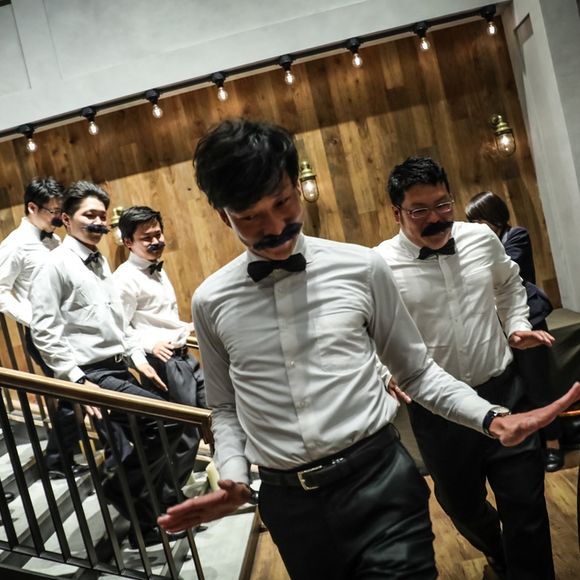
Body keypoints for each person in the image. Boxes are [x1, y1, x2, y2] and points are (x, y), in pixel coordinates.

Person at [157, 119, 580, 580]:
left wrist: (491, 417)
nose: (276, 227)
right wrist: (234, 473)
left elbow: (416, 371)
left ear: (297, 188)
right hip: (291, 505)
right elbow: (224, 407)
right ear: (223, 215)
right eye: (250, 218)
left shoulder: (362, 267)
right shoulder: (210, 300)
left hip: (380, 482)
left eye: (282, 203)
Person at [375, 156, 559, 579]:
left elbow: (509, 284)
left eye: (443, 204)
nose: (435, 218)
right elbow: (370, 331)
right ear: (397, 213)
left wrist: (516, 325)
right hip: (438, 413)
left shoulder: (480, 238)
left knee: (526, 505)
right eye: (420, 210)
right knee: (462, 505)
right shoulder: (379, 265)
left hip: (503, 390)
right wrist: (385, 373)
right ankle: (498, 550)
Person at [29, 181, 184, 548]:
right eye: (90, 215)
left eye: (102, 215)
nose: (98, 222)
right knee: (165, 421)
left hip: (118, 367)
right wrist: (76, 381)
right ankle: (120, 489)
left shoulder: (99, 262)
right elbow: (44, 331)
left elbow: (118, 323)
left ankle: (143, 518)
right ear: (67, 219)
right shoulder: (54, 265)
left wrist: (137, 358)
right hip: (92, 374)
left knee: (147, 438)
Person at [113, 205, 207, 503]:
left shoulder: (157, 269)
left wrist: (186, 327)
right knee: (185, 434)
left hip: (183, 355)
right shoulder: (124, 279)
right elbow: (119, 328)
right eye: (147, 237)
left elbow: (157, 318)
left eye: (158, 234)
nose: (156, 241)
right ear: (128, 242)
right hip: (163, 362)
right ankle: (167, 500)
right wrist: (147, 345)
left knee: (213, 414)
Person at [466, 191, 564, 472]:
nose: (475, 228)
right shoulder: (480, 245)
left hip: (529, 321)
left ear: (495, 218)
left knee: (538, 386)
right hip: (498, 327)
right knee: (515, 389)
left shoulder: (515, 235)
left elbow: (511, 274)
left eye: (479, 221)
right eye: (471, 222)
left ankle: (554, 443)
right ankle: (530, 444)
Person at [0, 177, 88, 480]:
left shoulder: (53, 239)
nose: (58, 217)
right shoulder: (15, 245)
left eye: (60, 210)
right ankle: (57, 462)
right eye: (53, 211)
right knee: (72, 396)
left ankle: (61, 459)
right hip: (45, 334)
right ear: (32, 208)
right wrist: (35, 319)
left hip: (70, 329)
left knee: (76, 396)